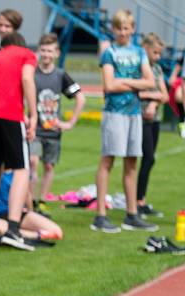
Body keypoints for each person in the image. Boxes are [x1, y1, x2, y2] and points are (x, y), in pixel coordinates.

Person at [91, 10, 157, 233]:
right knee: (107, 161)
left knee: (131, 163)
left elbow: (150, 81)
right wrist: (136, 82)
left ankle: (132, 213)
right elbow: (109, 85)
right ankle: (100, 215)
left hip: (133, 114)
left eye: (126, 28)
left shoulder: (139, 52)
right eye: (118, 28)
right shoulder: (109, 53)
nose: (122, 32)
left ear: (132, 29)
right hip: (114, 113)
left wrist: (126, 81)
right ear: (114, 29)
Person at [0, 31, 38, 252]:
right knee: (21, 170)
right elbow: (27, 78)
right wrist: (33, 114)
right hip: (11, 115)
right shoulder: (25, 54)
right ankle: (13, 227)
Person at [30, 32, 85, 207]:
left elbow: (80, 98)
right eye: (43, 50)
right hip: (34, 130)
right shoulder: (31, 74)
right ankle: (29, 202)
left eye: (50, 51)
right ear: (39, 51)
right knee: (32, 162)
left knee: (48, 167)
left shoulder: (61, 75)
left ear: (57, 53)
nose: (46, 54)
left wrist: (70, 123)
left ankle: (42, 201)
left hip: (53, 131)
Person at [136, 33, 168, 218]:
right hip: (141, 119)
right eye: (155, 52)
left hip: (155, 118)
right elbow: (136, 93)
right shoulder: (139, 68)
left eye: (159, 53)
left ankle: (142, 200)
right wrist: (154, 97)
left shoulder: (157, 69)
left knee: (150, 159)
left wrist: (154, 101)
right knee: (147, 158)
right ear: (146, 49)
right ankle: (137, 201)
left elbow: (164, 94)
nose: (157, 57)